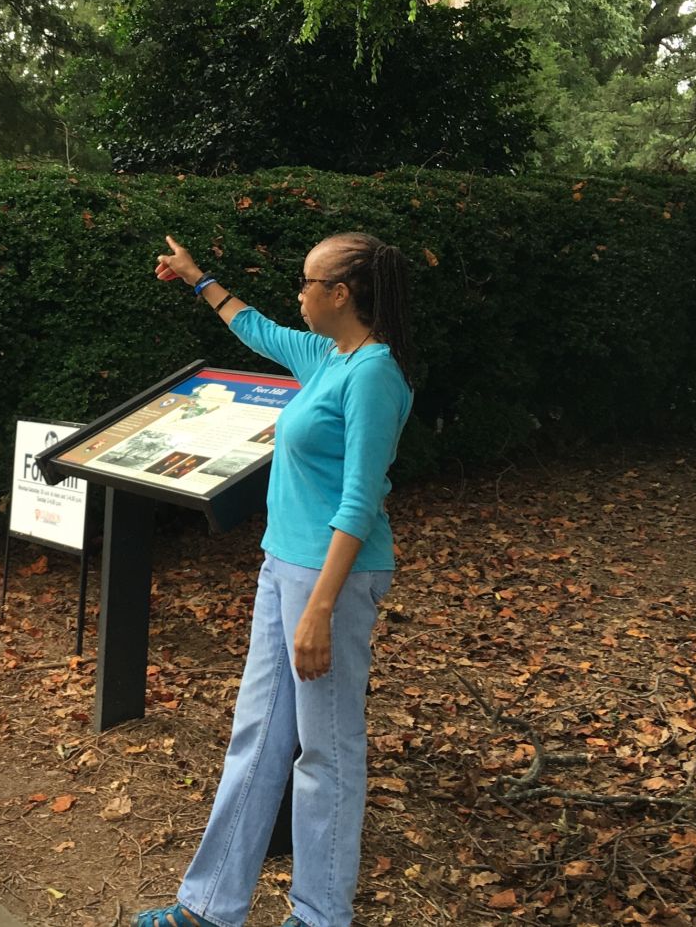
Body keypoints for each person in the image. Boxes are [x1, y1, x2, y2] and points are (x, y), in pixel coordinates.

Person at [135, 232, 416, 927]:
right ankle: (209, 906)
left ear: (341, 293)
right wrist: (199, 279)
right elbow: (254, 326)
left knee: (326, 747)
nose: (299, 293)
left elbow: (360, 500)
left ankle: (321, 914)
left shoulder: (374, 373)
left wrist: (319, 608)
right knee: (258, 734)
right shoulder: (326, 354)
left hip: (333, 580)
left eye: (307, 282)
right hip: (281, 564)